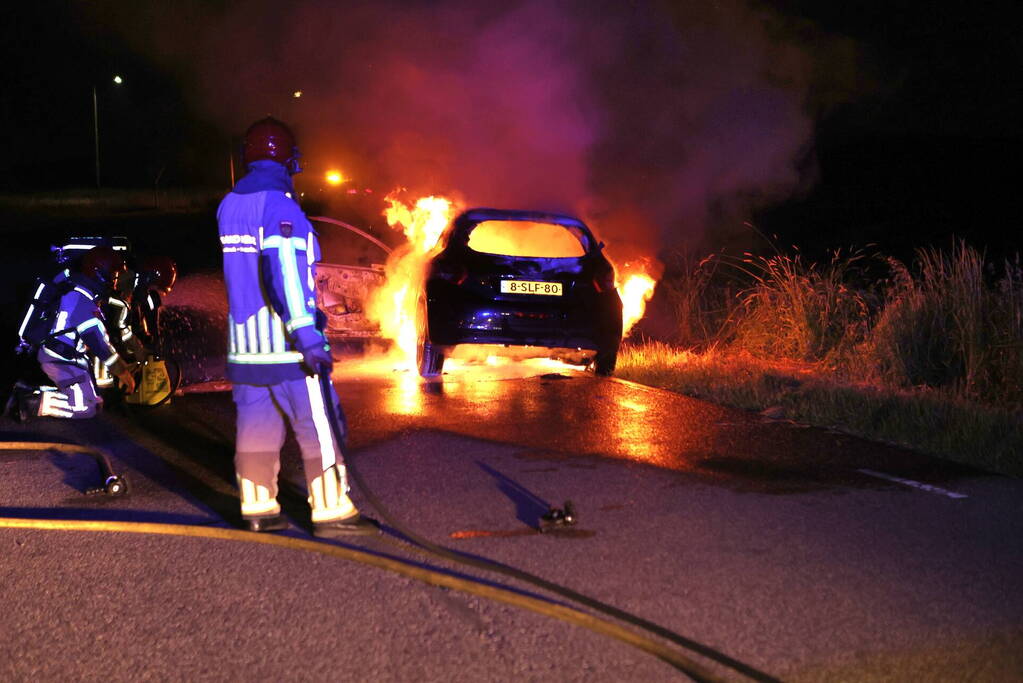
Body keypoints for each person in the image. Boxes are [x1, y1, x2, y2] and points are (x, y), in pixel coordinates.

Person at [217, 116, 376, 535]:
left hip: (245, 349)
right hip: (286, 347)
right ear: (289, 159)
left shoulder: (229, 205)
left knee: (256, 428)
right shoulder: (280, 207)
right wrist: (307, 336)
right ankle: (332, 511)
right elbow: (284, 271)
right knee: (319, 425)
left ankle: (257, 506)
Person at [35, 246, 136, 418]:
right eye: (113, 275)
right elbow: (99, 344)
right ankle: (29, 401)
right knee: (86, 408)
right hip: (61, 359)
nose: (115, 280)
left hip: (66, 356)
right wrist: (122, 371)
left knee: (95, 401)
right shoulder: (83, 301)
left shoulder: (77, 291)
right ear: (99, 272)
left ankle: (33, 391)